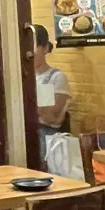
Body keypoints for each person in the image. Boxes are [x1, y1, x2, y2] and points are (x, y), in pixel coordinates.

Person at [33, 24, 71, 165]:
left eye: (33, 46)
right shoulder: (20, 77)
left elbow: (49, 116)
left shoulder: (55, 77)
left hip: (47, 140)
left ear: (45, 49)